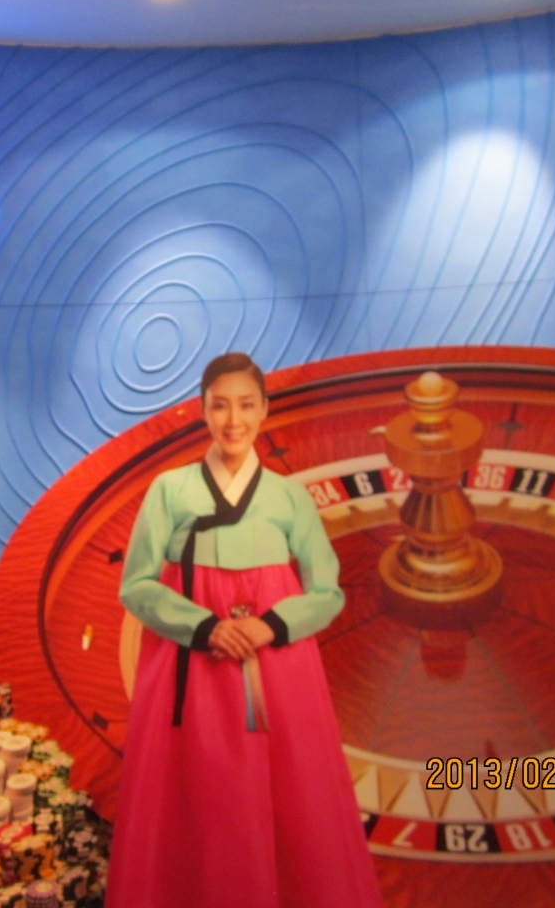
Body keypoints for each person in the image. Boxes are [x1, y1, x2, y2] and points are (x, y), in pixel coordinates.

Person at [106, 352, 382, 908]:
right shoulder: (169, 489)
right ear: (202, 410)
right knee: (198, 788)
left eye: (246, 406)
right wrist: (205, 626)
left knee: (293, 789)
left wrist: (271, 626)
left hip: (276, 664)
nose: (233, 421)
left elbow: (327, 592)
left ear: (264, 410)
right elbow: (135, 585)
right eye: (220, 406)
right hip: (192, 661)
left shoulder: (288, 496)